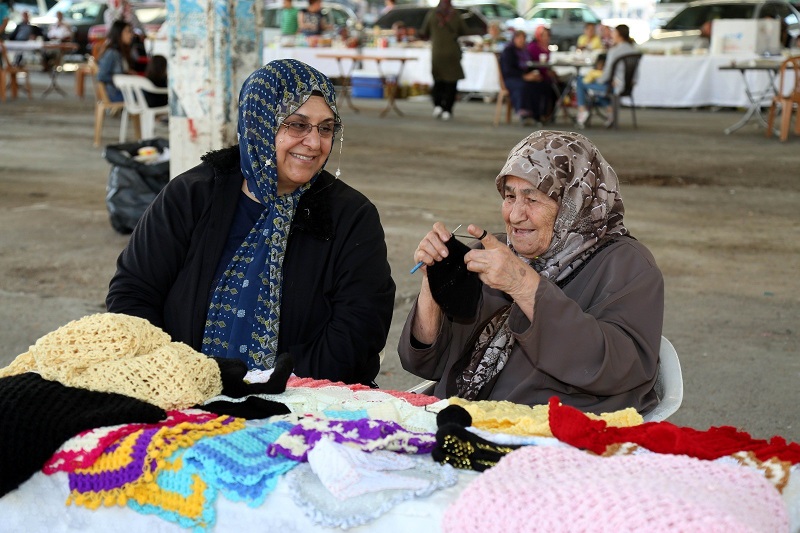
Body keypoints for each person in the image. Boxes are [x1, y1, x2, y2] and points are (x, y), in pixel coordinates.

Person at [106, 59, 396, 387]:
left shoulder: (351, 216)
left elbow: (359, 329)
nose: (314, 143)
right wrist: (175, 374)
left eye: (325, 128)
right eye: (297, 124)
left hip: (305, 404)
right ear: (259, 123)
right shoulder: (192, 196)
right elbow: (133, 293)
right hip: (181, 390)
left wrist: (282, 389)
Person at [398, 130, 663, 415]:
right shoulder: (493, 252)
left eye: (532, 199)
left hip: (555, 432)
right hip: (464, 418)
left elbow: (619, 369)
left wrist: (523, 285)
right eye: (509, 196)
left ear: (574, 200)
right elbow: (425, 363)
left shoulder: (627, 265)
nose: (514, 215)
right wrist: (431, 282)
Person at [575, 24, 638, 128]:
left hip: (614, 87)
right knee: (595, 90)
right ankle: (609, 110)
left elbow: (606, 74)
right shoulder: (633, 50)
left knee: (580, 81)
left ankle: (582, 110)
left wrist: (597, 80)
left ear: (618, 34)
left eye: (614, 32)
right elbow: (636, 75)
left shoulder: (614, 51)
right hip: (627, 86)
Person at [420, 0, 468, 121]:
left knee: (438, 80)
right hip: (452, 53)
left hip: (437, 53)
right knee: (451, 83)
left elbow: (424, 32)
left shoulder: (432, 14)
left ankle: (438, 106)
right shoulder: (455, 14)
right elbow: (464, 31)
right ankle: (447, 109)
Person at [499, 30, 542, 127]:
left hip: (523, 77)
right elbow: (508, 70)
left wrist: (533, 75)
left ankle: (537, 115)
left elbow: (529, 66)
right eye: (519, 38)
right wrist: (524, 76)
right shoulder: (509, 51)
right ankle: (524, 114)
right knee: (523, 86)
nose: (521, 41)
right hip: (511, 78)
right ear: (514, 39)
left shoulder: (525, 52)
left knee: (539, 84)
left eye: (523, 38)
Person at [525, 25, 556, 123]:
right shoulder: (532, 47)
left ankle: (550, 114)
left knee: (559, 86)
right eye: (543, 35)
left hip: (547, 75)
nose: (546, 38)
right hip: (536, 75)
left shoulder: (549, 48)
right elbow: (529, 64)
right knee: (544, 87)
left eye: (548, 35)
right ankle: (539, 115)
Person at [97, 20, 133, 102]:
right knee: (149, 96)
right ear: (119, 33)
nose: (131, 35)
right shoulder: (112, 53)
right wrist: (121, 78)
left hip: (120, 91)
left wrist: (126, 74)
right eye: (128, 32)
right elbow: (101, 76)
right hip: (116, 93)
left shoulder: (119, 51)